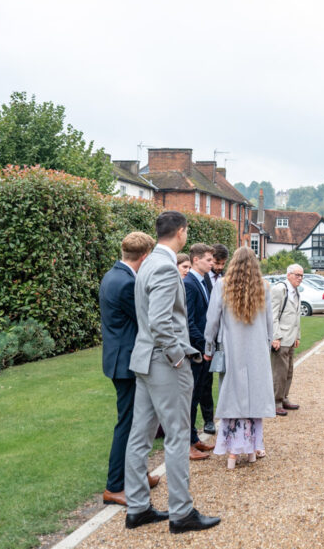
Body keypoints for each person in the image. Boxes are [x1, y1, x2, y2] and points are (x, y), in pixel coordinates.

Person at [123, 211, 219, 534]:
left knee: (140, 436)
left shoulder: (148, 263)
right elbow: (161, 322)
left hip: (144, 360)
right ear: (181, 232)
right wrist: (179, 358)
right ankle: (181, 513)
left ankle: (137, 507)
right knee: (177, 436)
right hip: (164, 363)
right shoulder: (164, 266)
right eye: (186, 231)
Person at [99, 231, 160, 507]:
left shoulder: (113, 275)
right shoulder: (125, 283)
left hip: (119, 358)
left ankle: (137, 475)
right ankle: (114, 486)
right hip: (125, 363)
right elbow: (144, 319)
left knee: (138, 421)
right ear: (145, 256)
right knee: (127, 424)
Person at [203, 247, 276, 469]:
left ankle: (233, 450)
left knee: (232, 395)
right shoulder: (263, 286)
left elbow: (212, 320)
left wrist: (208, 347)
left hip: (231, 347)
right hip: (256, 350)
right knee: (254, 396)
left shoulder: (222, 285)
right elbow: (270, 322)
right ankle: (253, 446)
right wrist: (268, 342)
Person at [183, 242, 218, 458]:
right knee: (191, 398)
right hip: (195, 350)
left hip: (203, 349)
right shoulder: (189, 284)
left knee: (198, 394)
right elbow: (190, 322)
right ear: (196, 260)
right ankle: (187, 444)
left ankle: (195, 439)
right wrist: (203, 346)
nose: (212, 263)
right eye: (208, 259)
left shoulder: (203, 281)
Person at [269, 264, 302, 416]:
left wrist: (297, 335)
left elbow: (296, 316)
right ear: (288, 275)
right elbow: (273, 315)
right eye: (297, 275)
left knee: (288, 371)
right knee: (279, 372)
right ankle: (275, 402)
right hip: (281, 338)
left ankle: (284, 397)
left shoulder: (295, 291)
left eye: (301, 275)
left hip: (290, 337)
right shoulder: (279, 289)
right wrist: (275, 336)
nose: (299, 278)